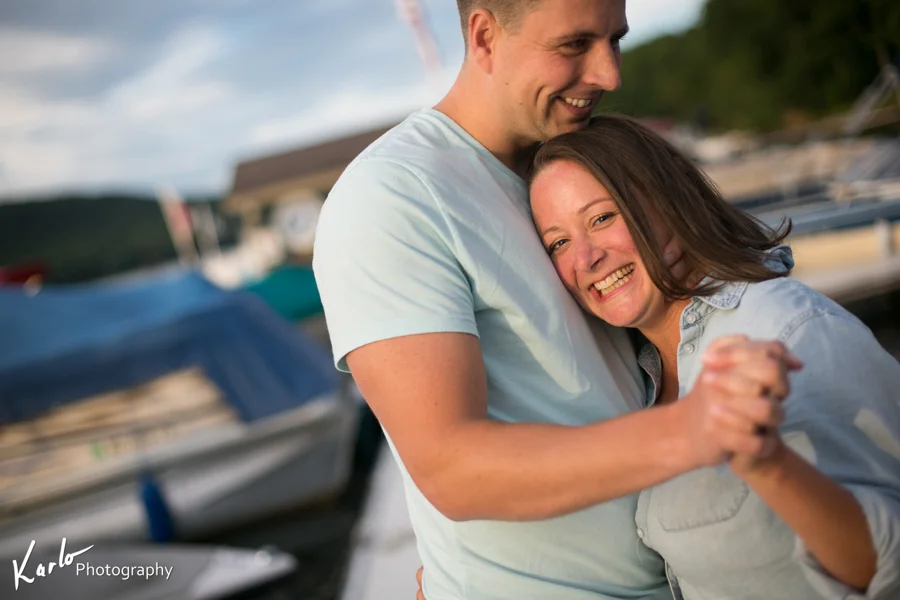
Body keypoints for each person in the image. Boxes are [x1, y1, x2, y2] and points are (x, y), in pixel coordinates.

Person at [313, 1, 797, 598]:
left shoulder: (568, 161)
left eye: (614, 40)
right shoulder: (391, 199)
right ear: (485, 35)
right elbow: (452, 468)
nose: (609, 74)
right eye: (574, 45)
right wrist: (693, 431)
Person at [522, 114, 900, 599]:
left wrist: (768, 464)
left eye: (602, 218)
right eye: (558, 243)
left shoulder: (787, 328)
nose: (585, 259)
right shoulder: (636, 379)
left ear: (666, 200)